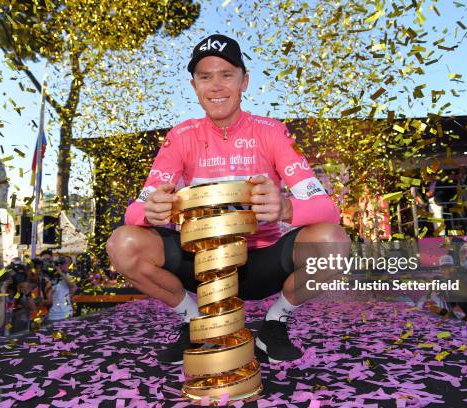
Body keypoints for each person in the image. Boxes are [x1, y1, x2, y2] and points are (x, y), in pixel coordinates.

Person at [106, 34, 349, 364]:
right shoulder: (180, 136)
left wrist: (286, 207)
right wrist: (150, 212)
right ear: (194, 86)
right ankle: (195, 322)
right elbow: (134, 212)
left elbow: (328, 211)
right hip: (200, 263)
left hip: (262, 262)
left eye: (226, 74)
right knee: (122, 244)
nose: (216, 86)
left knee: (333, 244)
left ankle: (274, 324)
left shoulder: (272, 131)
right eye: (206, 77)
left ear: (244, 81)